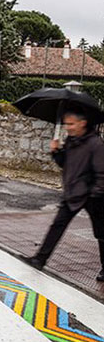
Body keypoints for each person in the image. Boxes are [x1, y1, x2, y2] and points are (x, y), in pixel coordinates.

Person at [20, 109, 104, 281]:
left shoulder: (96, 144)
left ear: (82, 123)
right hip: (72, 193)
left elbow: (102, 173)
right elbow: (64, 163)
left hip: (93, 196)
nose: (68, 127)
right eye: (66, 124)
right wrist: (56, 152)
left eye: (71, 124)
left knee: (101, 234)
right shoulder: (71, 140)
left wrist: (95, 193)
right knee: (57, 225)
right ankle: (39, 259)